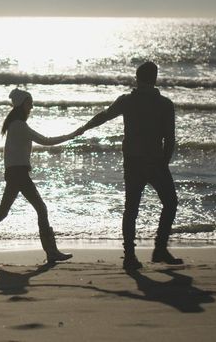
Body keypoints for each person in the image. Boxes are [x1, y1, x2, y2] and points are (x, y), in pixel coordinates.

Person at [74, 61, 183, 270]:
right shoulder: (165, 104)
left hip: (132, 161)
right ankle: (159, 248)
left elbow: (104, 116)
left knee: (131, 209)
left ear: (137, 78)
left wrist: (84, 127)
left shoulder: (127, 101)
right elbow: (170, 138)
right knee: (170, 203)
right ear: (155, 78)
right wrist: (164, 163)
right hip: (155, 162)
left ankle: (130, 256)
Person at [0, 88, 78, 264]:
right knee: (40, 208)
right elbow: (46, 140)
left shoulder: (16, 124)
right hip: (18, 173)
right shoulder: (19, 125)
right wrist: (71, 135)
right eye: (29, 103)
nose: (32, 106)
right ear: (21, 105)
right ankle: (51, 251)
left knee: (3, 212)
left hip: (14, 173)